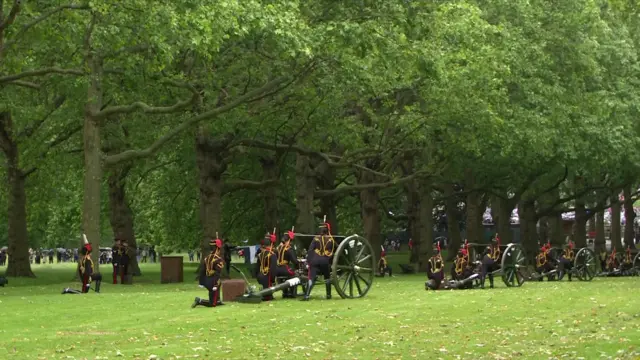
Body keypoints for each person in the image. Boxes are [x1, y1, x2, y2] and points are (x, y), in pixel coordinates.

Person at [302, 219, 335, 301]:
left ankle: (306, 296)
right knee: (327, 277)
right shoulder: (331, 240)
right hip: (325, 261)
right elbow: (333, 252)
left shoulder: (315, 238)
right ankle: (328, 295)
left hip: (315, 260)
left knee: (311, 278)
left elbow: (310, 250)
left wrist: (309, 261)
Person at [192, 237, 225, 308]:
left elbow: (202, 271)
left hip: (207, 280)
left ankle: (218, 300)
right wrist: (215, 285)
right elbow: (217, 273)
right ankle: (199, 301)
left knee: (214, 298)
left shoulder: (206, 258)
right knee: (212, 304)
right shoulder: (218, 260)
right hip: (213, 281)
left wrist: (201, 282)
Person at [276, 230, 299, 298]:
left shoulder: (278, 248)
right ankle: (292, 292)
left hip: (278, 268)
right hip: (285, 268)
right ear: (289, 240)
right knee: (295, 275)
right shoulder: (289, 249)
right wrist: (297, 265)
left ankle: (285, 292)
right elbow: (294, 261)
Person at [256, 232, 278, 301]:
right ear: (271, 244)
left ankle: (266, 294)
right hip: (267, 276)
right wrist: (273, 280)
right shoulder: (272, 255)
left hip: (260, 275)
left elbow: (257, 268)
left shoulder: (260, 254)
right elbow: (273, 269)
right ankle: (267, 295)